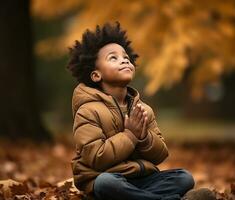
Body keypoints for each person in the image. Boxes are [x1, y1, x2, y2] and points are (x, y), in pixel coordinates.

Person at [67, 22, 216, 200]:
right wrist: (130, 135)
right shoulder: (88, 111)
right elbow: (96, 157)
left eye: (126, 57)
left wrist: (144, 136)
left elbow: (161, 154)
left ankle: (141, 197)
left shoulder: (143, 109)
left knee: (184, 178)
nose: (124, 60)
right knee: (105, 184)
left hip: (144, 179)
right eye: (113, 58)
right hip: (108, 179)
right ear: (96, 75)